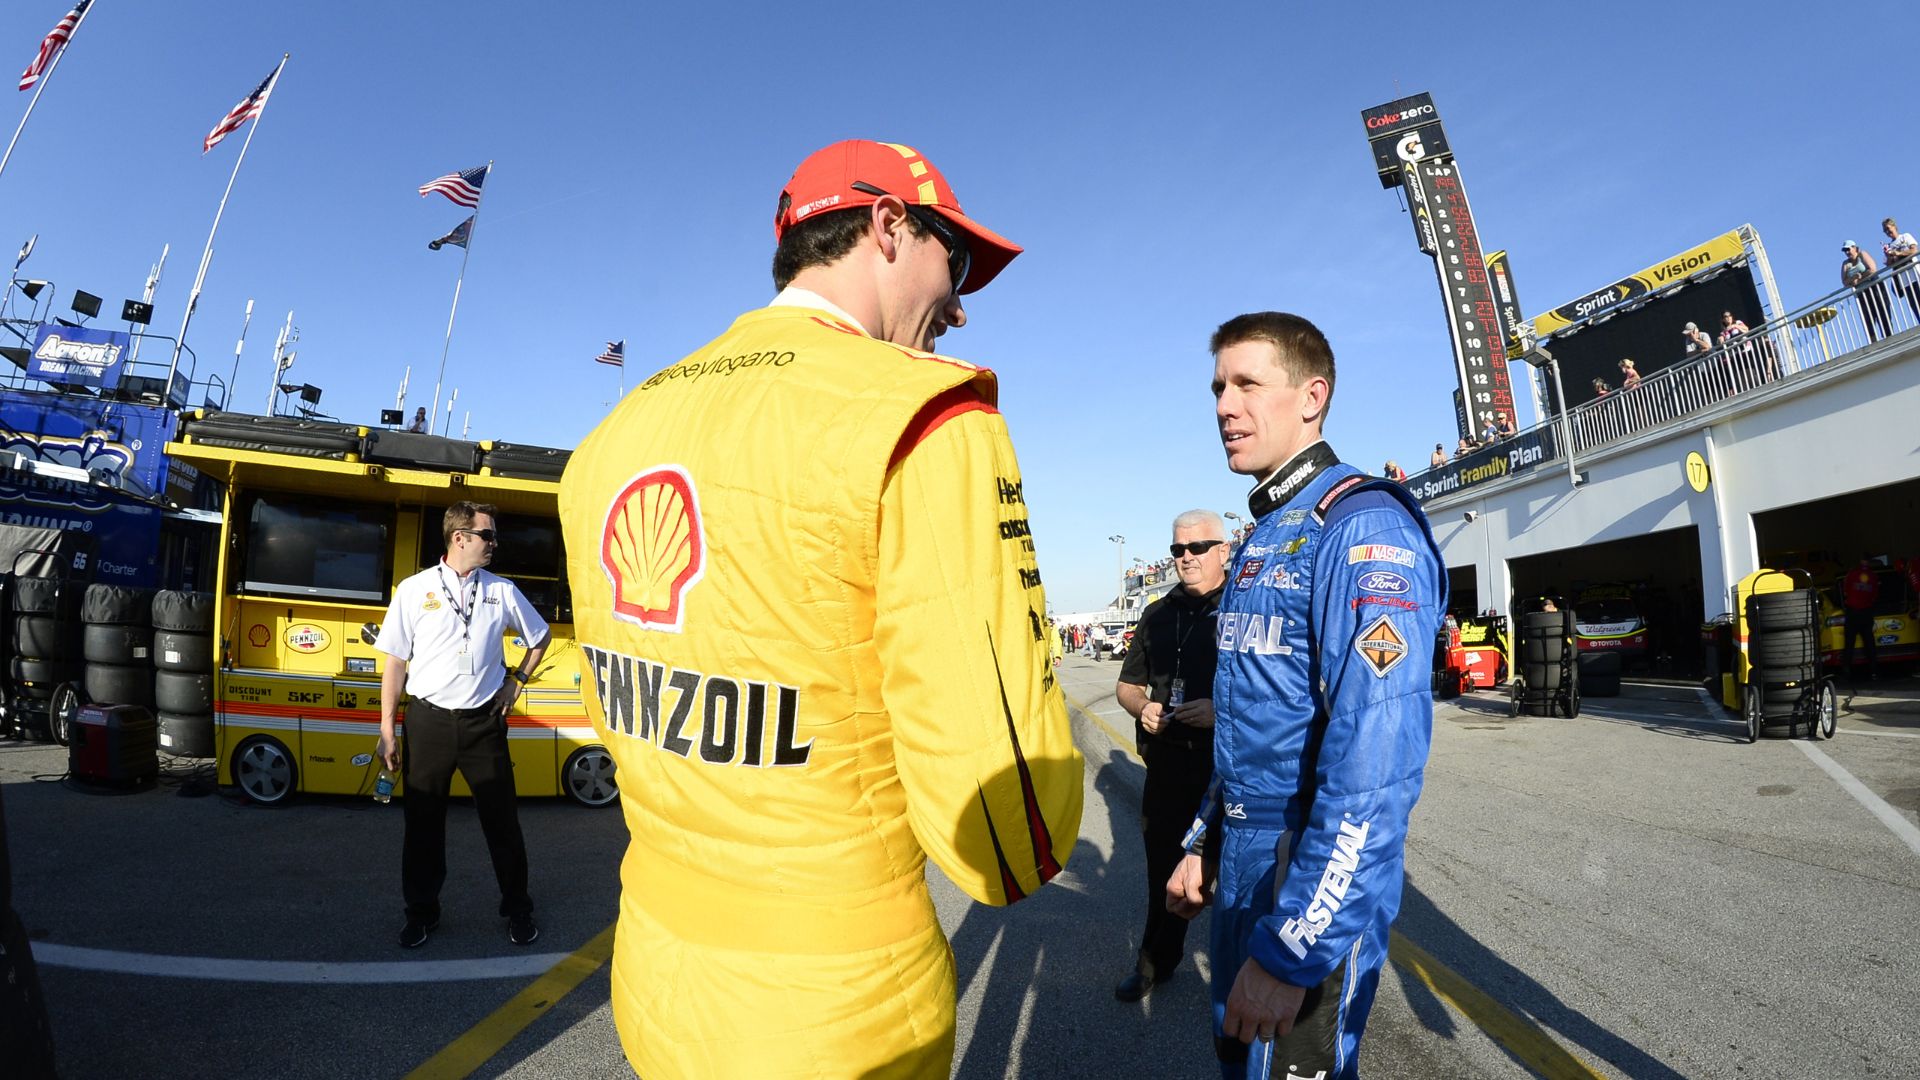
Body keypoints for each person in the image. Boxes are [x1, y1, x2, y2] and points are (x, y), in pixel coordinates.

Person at [556, 139, 1082, 1079]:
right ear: (887, 228)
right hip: (837, 1008)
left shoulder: (612, 433)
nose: (960, 306)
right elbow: (1007, 834)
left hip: (654, 968)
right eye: (954, 263)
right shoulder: (917, 411)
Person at [1168, 312, 1444, 1080]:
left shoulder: (1360, 529)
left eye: (1248, 384)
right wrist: (1209, 839)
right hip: (1248, 852)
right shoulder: (1264, 531)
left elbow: (1373, 774)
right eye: (1219, 386)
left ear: (1312, 396)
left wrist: (1296, 946)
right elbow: (1260, 720)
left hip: (1308, 866)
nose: (1225, 404)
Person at [375, 501, 550, 950]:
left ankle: (518, 909)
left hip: (482, 726)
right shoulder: (414, 590)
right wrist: (387, 729)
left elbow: (540, 635)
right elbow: (395, 661)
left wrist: (517, 683)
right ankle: (421, 913)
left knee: (503, 824)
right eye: (487, 536)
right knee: (423, 825)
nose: (495, 543)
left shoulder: (502, 590)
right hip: (429, 722)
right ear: (460, 538)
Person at [1111, 510, 1231, 1003]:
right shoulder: (1157, 613)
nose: (1186, 558)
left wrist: (1222, 710)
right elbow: (1125, 685)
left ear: (1224, 549)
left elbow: (1283, 693)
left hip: (1227, 769)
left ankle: (1241, 976)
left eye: (1197, 548)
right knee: (1163, 873)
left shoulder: (1245, 607)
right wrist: (1143, 708)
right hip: (1168, 765)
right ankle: (1155, 962)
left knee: (1238, 879)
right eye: (1177, 550)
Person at [1841, 557, 1880, 685]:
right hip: (1866, 613)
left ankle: (1846, 673)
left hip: (1853, 613)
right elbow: (1875, 594)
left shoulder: (1852, 574)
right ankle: (1874, 672)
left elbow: (1845, 590)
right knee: (1869, 643)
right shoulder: (1873, 576)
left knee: (1849, 644)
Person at [1841, 241, 1892, 342]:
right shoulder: (1846, 264)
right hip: (1862, 293)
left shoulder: (1862, 254)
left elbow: (1872, 269)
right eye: (1845, 250)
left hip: (1875, 288)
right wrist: (1853, 279)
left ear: (1854, 247)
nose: (1847, 252)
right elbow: (1845, 281)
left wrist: (1859, 279)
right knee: (1868, 318)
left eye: (1848, 249)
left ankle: (1889, 337)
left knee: (1883, 313)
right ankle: (1873, 341)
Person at [1882, 217, 1920, 322]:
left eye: (1888, 228)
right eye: (1885, 230)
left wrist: (1898, 253)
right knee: (1915, 305)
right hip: (1904, 281)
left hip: (1915, 275)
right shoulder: (1889, 246)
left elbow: (1914, 250)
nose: (1887, 232)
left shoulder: (1905, 236)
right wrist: (1889, 256)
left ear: (1894, 226)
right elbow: (1888, 264)